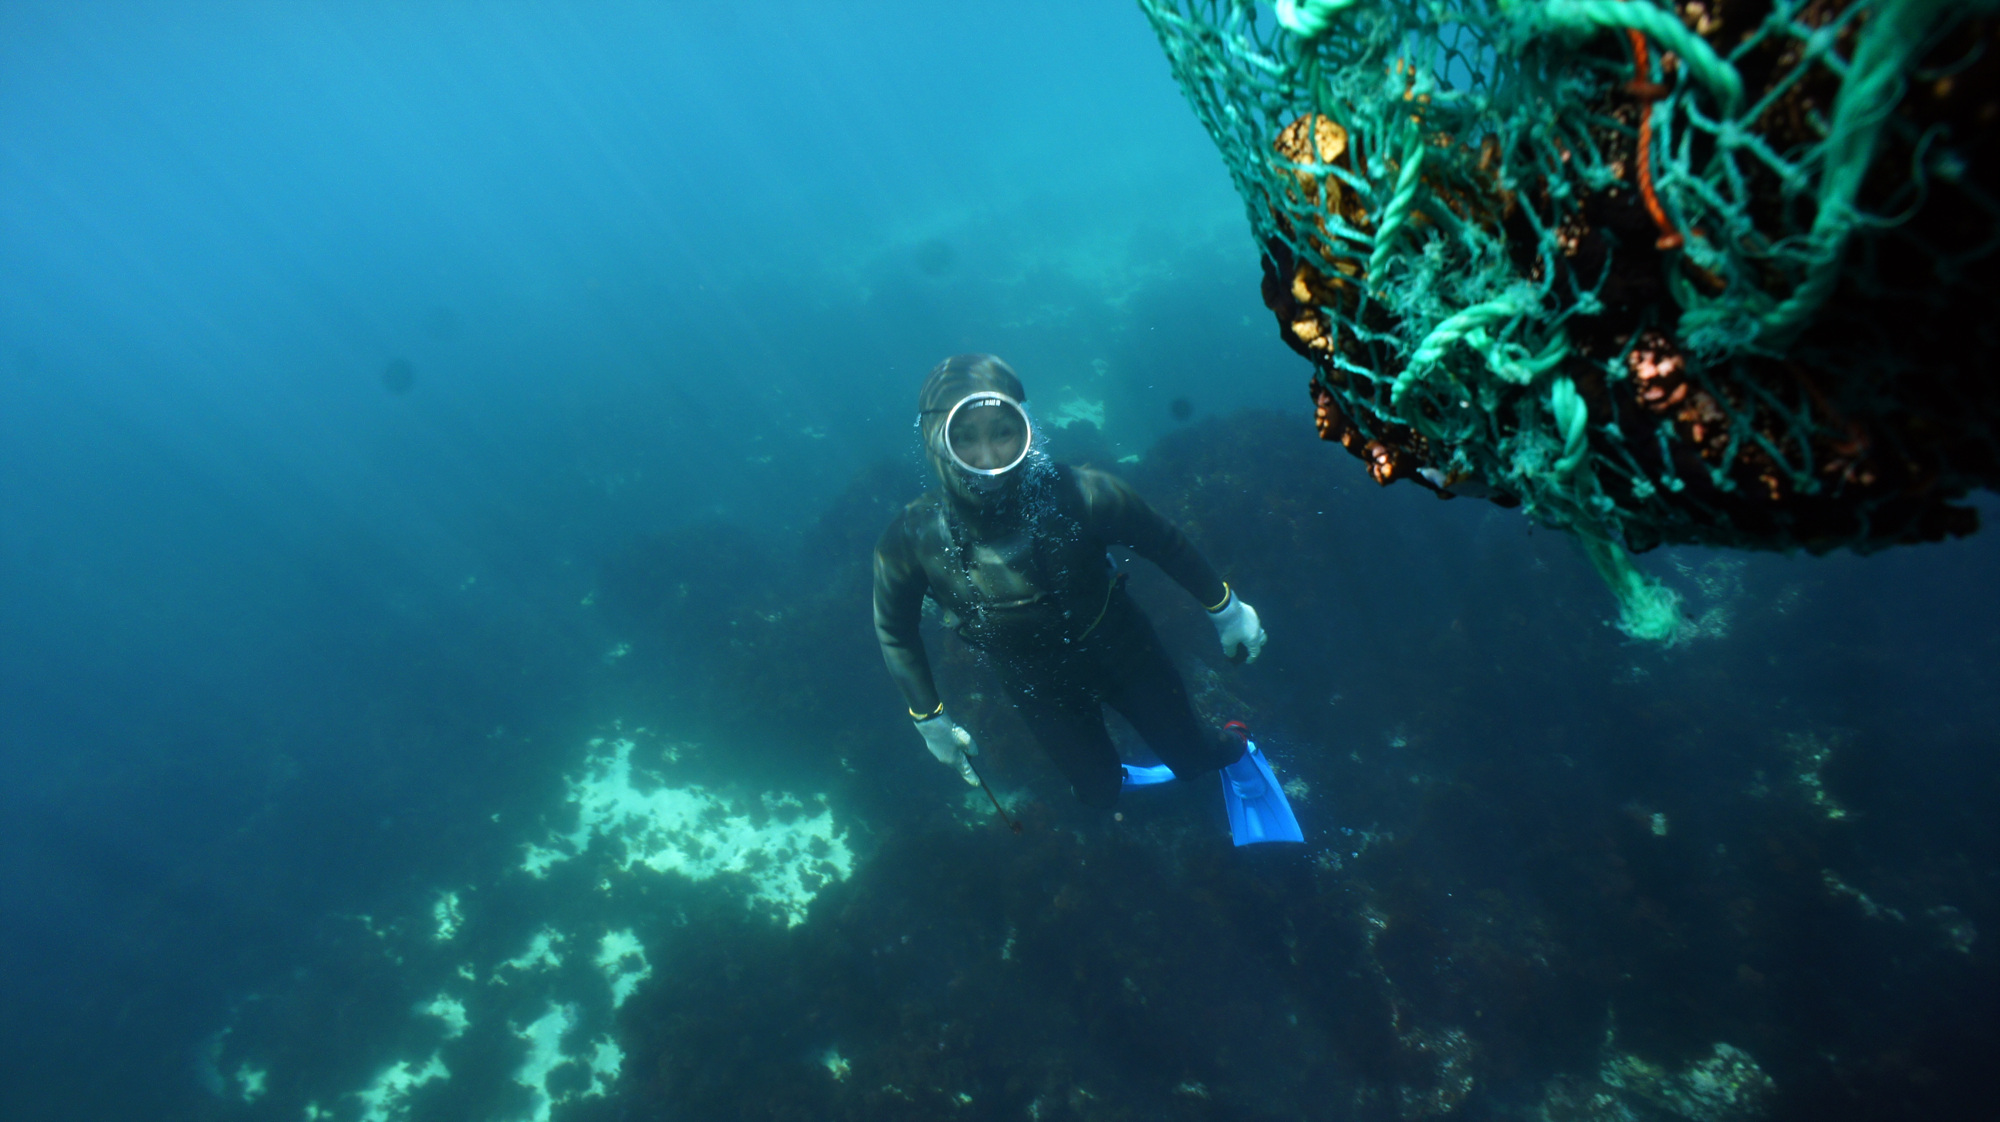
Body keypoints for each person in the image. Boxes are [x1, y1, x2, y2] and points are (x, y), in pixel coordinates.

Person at [872, 354, 1300, 841]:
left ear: (1026, 428)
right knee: (1097, 793)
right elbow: (895, 630)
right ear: (934, 440)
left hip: (1125, 653)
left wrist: (1228, 611)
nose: (987, 457)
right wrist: (929, 719)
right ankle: (1120, 778)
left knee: (1195, 760)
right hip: (1036, 685)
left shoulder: (1085, 494)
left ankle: (1237, 745)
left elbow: (1165, 543)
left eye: (1003, 431)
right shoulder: (911, 538)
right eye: (965, 437)